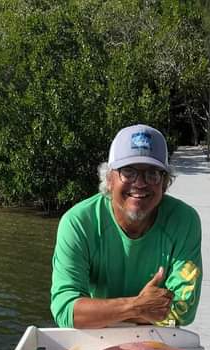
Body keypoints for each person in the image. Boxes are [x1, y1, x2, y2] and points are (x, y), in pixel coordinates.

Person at [50, 124, 202, 329]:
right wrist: (136, 307)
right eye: (128, 172)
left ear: (164, 182)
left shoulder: (185, 221)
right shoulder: (78, 223)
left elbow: (184, 310)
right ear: (109, 179)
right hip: (96, 339)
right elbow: (66, 311)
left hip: (155, 338)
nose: (140, 183)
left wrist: (100, 312)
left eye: (152, 174)